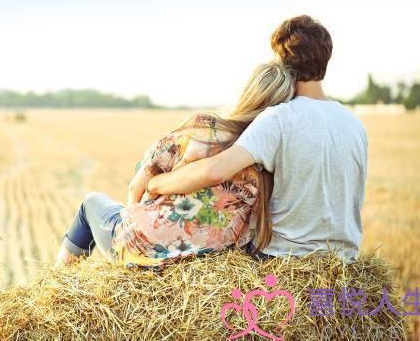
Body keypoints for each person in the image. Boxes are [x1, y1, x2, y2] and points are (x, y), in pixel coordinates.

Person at [147, 15, 368, 263]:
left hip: (285, 258)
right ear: (326, 60)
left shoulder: (279, 119)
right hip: (345, 261)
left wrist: (157, 184)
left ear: (282, 63)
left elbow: (214, 171)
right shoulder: (355, 124)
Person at [55, 61, 295, 267]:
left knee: (91, 204)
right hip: (209, 260)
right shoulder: (266, 160)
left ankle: (59, 285)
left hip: (145, 246)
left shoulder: (203, 127)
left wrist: (137, 226)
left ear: (248, 94)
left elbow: (137, 187)